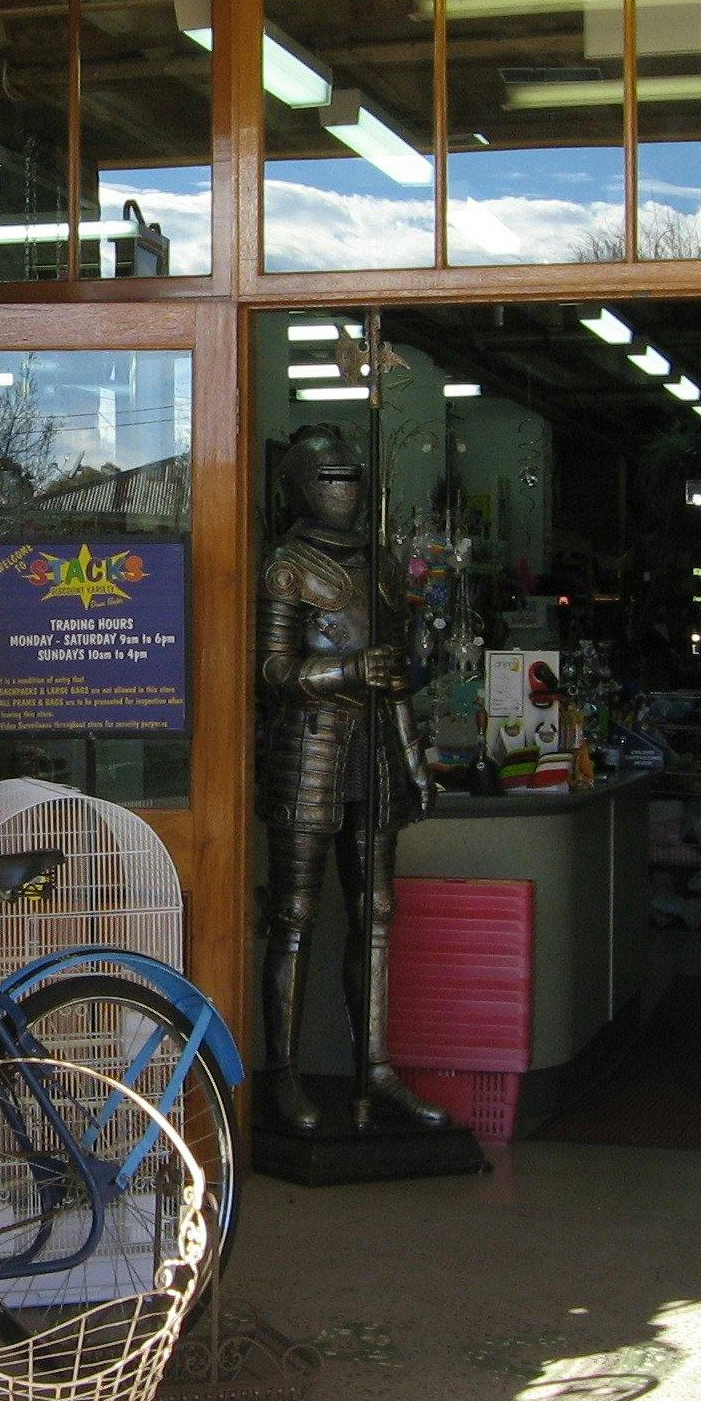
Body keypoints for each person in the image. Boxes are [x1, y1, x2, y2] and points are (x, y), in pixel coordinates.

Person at [256, 425, 451, 1136]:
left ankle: (375, 1067)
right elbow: (273, 672)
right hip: (309, 751)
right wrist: (346, 671)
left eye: (353, 478)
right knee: (294, 918)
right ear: (304, 487)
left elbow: (395, 671)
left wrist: (413, 757)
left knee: (375, 913)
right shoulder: (286, 566)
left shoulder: (383, 563)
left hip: (372, 751)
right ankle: (281, 1073)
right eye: (332, 479)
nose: (347, 491)